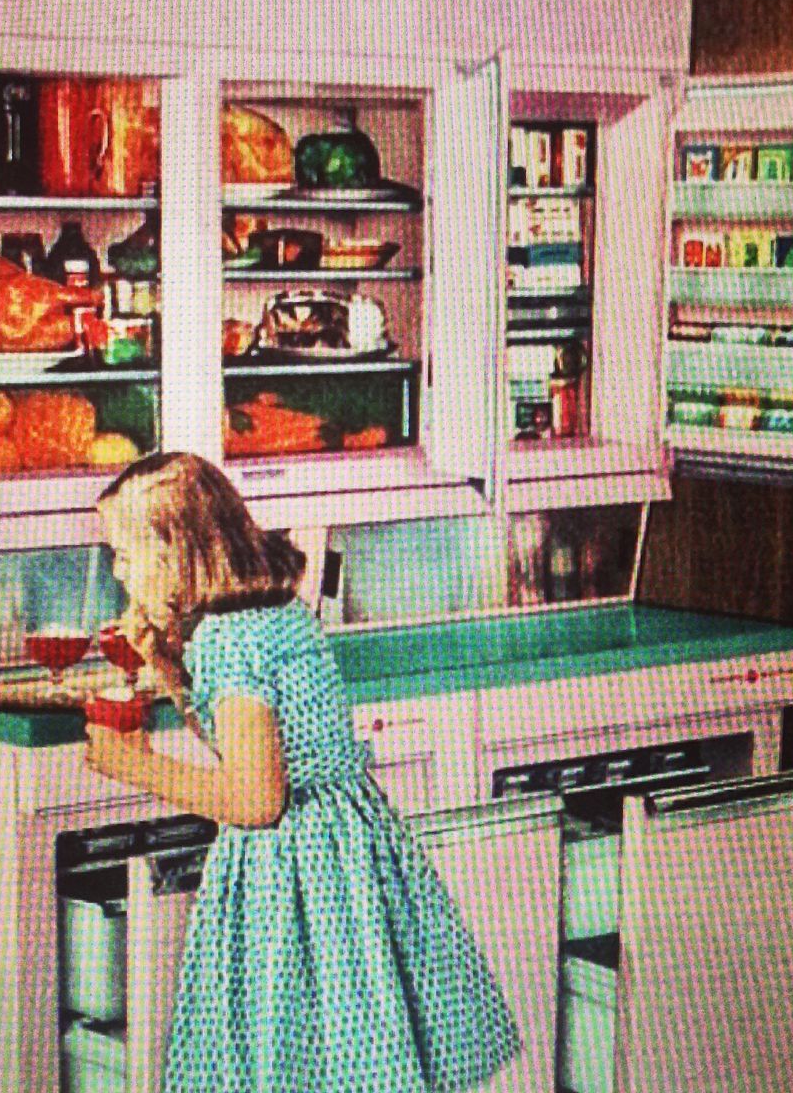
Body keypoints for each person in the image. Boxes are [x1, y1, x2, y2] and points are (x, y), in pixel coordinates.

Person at [85, 452, 521, 1092]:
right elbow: (243, 747)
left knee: (288, 1056)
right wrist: (174, 676)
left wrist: (136, 765)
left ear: (177, 553)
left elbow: (258, 798)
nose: (118, 571)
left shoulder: (228, 639)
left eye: (125, 553)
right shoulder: (273, 611)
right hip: (346, 844)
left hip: (295, 866)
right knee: (356, 1054)